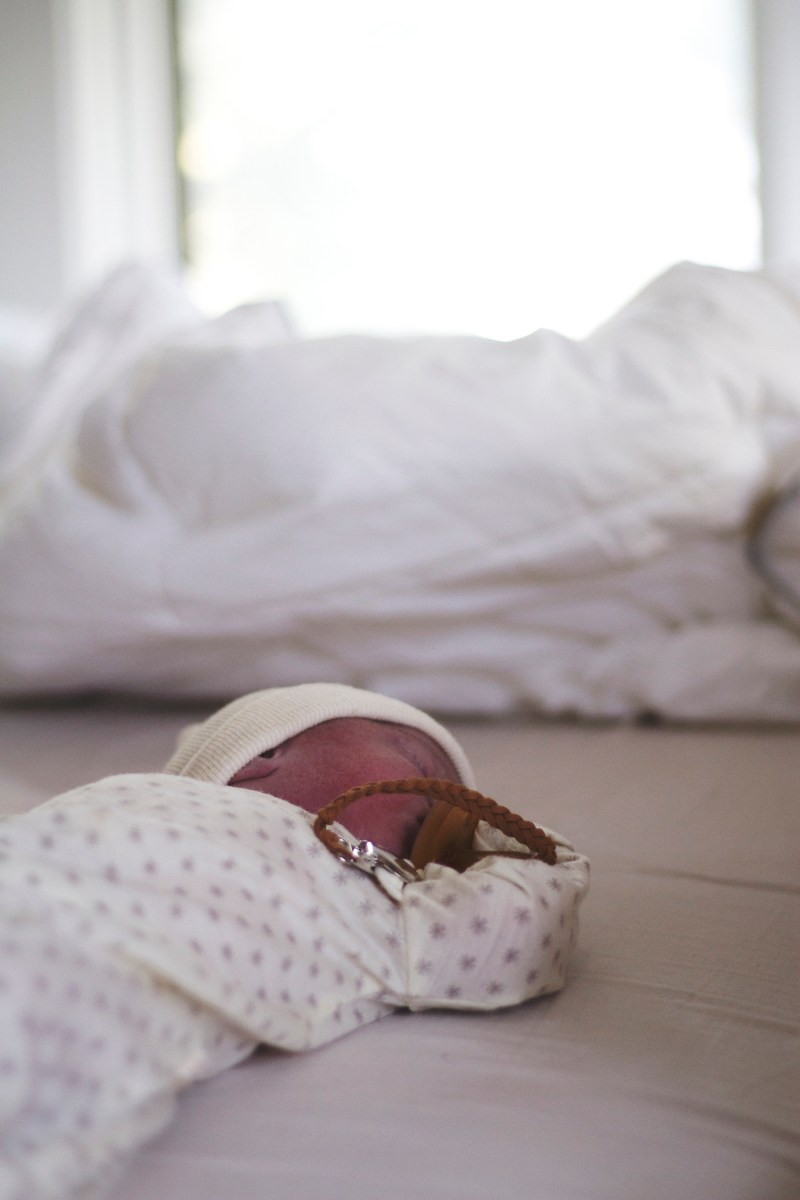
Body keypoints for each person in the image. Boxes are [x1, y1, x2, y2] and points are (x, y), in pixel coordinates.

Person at [0, 683, 589, 1200]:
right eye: (417, 764)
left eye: (458, 831)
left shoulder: (374, 901)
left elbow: (522, 931)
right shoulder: (121, 797)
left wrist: (492, 836)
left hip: (70, 980)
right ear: (264, 756)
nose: (446, 809)